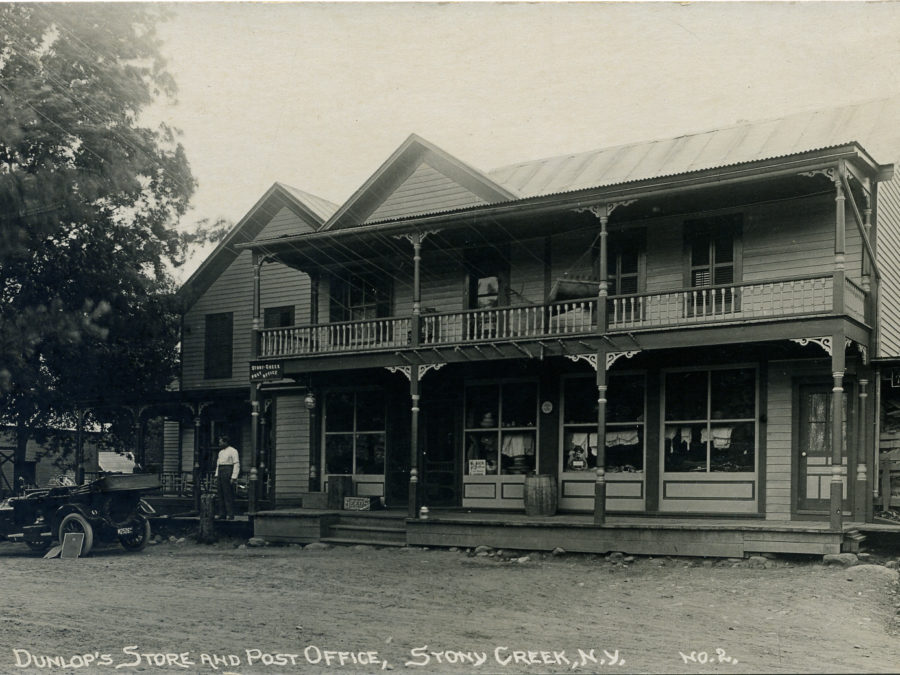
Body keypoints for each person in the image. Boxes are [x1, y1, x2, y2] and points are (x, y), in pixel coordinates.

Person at [215, 434, 240, 520]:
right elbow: (218, 465)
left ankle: (230, 514)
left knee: (228, 494)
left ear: (225, 442)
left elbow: (236, 464)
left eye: (221, 442)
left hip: (228, 471)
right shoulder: (220, 452)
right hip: (221, 472)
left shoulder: (233, 451)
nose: (219, 444)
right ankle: (222, 514)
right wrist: (216, 475)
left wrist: (233, 477)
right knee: (220, 494)